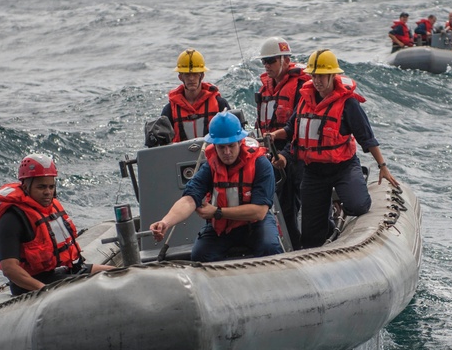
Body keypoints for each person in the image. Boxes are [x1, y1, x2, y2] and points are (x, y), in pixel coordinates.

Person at [268, 49, 399, 249]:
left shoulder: (348, 103)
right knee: (311, 237)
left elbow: (367, 138)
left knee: (357, 205)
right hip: (313, 172)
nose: (317, 80)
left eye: (321, 76)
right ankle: (329, 223)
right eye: (314, 76)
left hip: (343, 167)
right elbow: (292, 131)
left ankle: (347, 193)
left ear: (332, 76)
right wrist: (278, 141)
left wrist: (383, 166)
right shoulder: (305, 99)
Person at [149, 111, 283, 262]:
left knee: (270, 248)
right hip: (223, 229)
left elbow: (259, 212)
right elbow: (189, 200)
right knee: (200, 255)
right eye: (221, 147)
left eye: (231, 146)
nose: (227, 152)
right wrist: (165, 222)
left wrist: (217, 212)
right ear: (214, 145)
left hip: (255, 225)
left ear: (240, 142)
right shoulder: (210, 167)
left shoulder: (261, 164)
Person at [0, 154, 114, 296]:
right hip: (34, 283)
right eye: (41, 187)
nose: (47, 192)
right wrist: (45, 291)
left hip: (62, 272)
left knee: (116, 273)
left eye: (51, 187)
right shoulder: (12, 219)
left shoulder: (51, 209)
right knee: (98, 286)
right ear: (26, 187)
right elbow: (9, 268)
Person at [255, 36, 309, 247]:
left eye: (271, 61)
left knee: (307, 199)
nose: (267, 66)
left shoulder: (300, 87)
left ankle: (321, 238)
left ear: (286, 60)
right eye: (264, 62)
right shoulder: (265, 88)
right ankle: (293, 245)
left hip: (298, 150)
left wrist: (286, 154)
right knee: (284, 205)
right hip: (273, 152)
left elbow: (299, 125)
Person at [161, 48, 230, 143]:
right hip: (181, 157)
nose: (191, 78)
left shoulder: (220, 104)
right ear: (180, 77)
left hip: (214, 156)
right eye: (187, 75)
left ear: (202, 76)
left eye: (195, 74)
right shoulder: (169, 110)